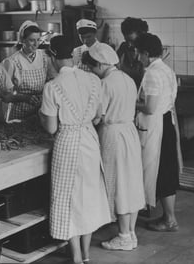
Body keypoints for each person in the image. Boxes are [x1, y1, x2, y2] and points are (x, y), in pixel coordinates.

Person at [39, 35, 111, 264]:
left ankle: (77, 256)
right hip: (89, 139)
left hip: (67, 141)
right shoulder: (93, 80)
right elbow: (99, 116)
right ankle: (87, 253)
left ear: (52, 56)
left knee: (68, 198)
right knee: (87, 195)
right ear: (73, 55)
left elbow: (51, 128)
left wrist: (41, 116)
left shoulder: (52, 86)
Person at [81, 43, 145, 251]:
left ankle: (124, 236)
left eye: (92, 68)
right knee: (131, 183)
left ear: (100, 64)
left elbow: (98, 116)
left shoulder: (106, 83)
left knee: (119, 185)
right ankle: (131, 233)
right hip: (129, 132)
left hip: (113, 134)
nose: (92, 72)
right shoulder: (127, 79)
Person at [135, 33, 182, 232]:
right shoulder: (166, 69)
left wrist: (131, 101)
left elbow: (151, 107)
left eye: (138, 53)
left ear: (146, 53)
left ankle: (170, 219)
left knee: (161, 172)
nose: (137, 58)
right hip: (167, 124)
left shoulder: (152, 73)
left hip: (158, 126)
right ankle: (168, 216)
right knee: (167, 171)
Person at [2, 21, 53, 120]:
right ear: (23, 40)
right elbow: (5, 95)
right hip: (19, 112)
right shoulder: (12, 62)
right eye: (31, 40)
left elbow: (51, 81)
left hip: (41, 110)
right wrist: (25, 98)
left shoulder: (44, 58)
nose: (36, 44)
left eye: (38, 40)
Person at [117, 17, 149, 88]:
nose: (129, 44)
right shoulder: (123, 47)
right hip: (124, 88)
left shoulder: (147, 53)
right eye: (126, 40)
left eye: (132, 41)